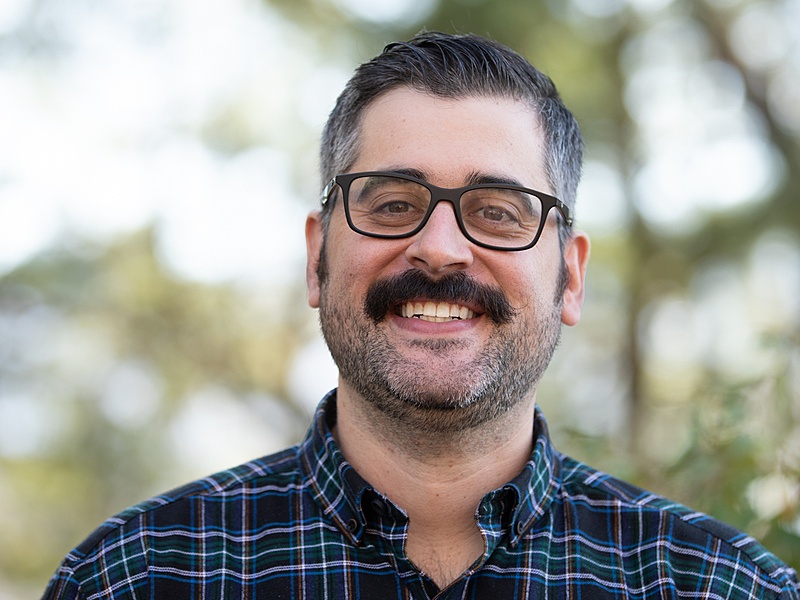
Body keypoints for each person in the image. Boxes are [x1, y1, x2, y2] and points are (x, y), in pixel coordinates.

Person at [43, 31, 799, 599]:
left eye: (498, 212)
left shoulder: (721, 585)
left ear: (570, 277)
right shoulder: (135, 577)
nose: (441, 250)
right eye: (394, 204)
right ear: (317, 258)